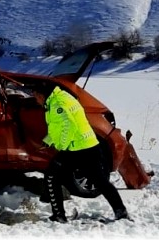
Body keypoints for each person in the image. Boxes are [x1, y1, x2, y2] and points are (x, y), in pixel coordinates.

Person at [41, 85, 130, 223]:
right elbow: (59, 126)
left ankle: (59, 215)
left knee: (52, 176)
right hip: (89, 145)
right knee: (100, 181)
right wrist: (48, 141)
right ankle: (121, 211)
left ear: (42, 95)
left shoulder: (58, 103)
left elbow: (68, 125)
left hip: (77, 148)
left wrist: (62, 146)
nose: (35, 99)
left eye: (35, 95)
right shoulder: (63, 97)